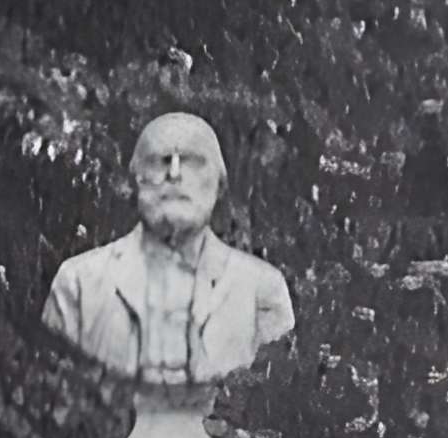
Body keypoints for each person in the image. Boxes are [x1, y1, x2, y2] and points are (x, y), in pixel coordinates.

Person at [42, 111, 294, 386]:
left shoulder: (262, 291)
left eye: (194, 161)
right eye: (157, 161)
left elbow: (273, 400)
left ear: (220, 184)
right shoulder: (78, 283)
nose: (174, 174)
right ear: (135, 180)